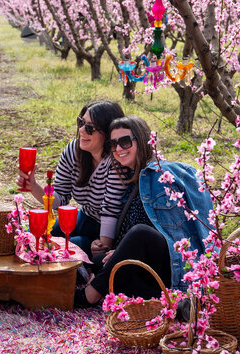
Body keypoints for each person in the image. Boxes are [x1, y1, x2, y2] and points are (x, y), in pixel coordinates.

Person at [76, 115, 213, 308]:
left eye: (124, 142)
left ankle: (90, 295)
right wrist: (117, 252)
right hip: (149, 266)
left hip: (173, 265)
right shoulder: (133, 178)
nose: (118, 149)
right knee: (100, 261)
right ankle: (172, 302)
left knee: (139, 233)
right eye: (113, 144)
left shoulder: (157, 176)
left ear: (141, 141)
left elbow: (168, 233)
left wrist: (122, 250)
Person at [17, 100, 127, 259]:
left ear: (108, 133)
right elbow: (59, 198)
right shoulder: (73, 151)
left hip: (107, 230)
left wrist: (103, 245)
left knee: (64, 249)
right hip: (82, 217)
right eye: (81, 122)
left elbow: (110, 211)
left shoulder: (116, 161)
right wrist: (33, 186)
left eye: (90, 127)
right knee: (30, 237)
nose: (82, 130)